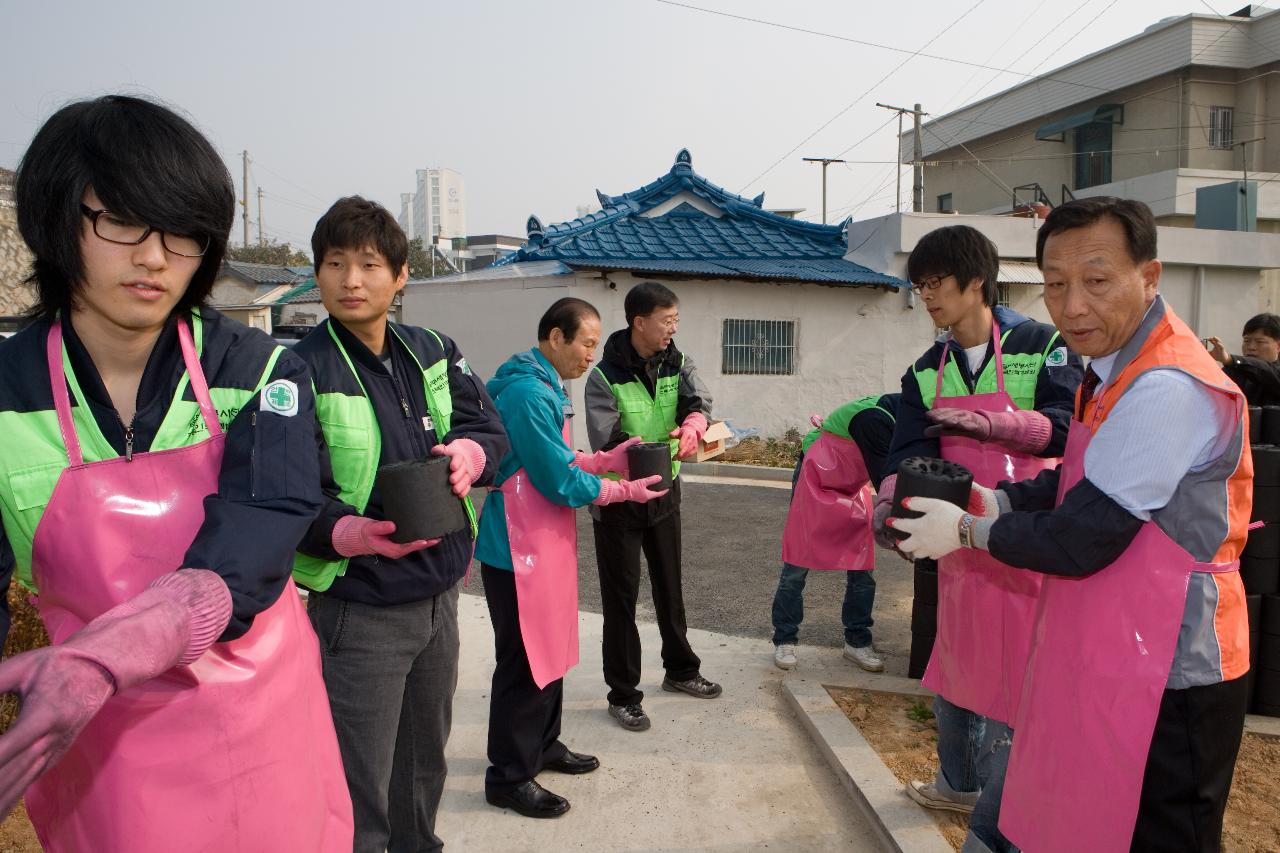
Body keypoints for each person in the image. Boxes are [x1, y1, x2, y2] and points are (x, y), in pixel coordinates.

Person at [0, 95, 351, 851]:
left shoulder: (262, 370)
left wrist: (124, 643)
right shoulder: (6, 396)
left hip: (269, 733)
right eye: (121, 222)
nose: (155, 257)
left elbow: (267, 517)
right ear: (58, 221)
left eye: (182, 232)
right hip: (107, 753)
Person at [892, 197, 1251, 853]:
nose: (1073, 304)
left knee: (1165, 832)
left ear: (1150, 276)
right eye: (1055, 283)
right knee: (1097, 818)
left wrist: (969, 532)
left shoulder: (1167, 385)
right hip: (1116, 641)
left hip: (1179, 660)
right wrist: (994, 501)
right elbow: (1078, 474)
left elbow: (1083, 533)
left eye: (1096, 279)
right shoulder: (1107, 370)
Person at [292, 197, 508, 853]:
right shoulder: (297, 367)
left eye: (368, 264)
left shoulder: (433, 350)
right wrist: (348, 532)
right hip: (360, 607)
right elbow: (283, 493)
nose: (351, 280)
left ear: (401, 274)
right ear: (318, 272)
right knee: (358, 776)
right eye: (334, 264)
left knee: (423, 761)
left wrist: (472, 454)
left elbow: (487, 429)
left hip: (440, 595)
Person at [874, 224, 1081, 852]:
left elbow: (1073, 427)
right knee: (960, 667)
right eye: (919, 285)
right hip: (959, 543)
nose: (927, 296)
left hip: (1026, 534)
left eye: (936, 283)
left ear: (976, 282)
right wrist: (888, 504)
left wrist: (1001, 426)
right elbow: (907, 451)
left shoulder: (1041, 345)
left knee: (1016, 690)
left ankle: (999, 826)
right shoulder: (924, 371)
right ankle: (956, 782)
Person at [475, 297, 668, 818]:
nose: (591, 354)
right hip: (519, 548)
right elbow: (559, 480)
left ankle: (543, 743)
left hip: (544, 544)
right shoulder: (526, 393)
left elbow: (560, 459)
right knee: (524, 660)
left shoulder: (544, 386)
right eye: (585, 343)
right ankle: (510, 776)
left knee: (552, 649)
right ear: (555, 338)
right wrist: (621, 490)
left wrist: (609, 458)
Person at [585, 281, 720, 731]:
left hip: (665, 493)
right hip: (620, 500)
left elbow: (697, 401)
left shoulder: (677, 361)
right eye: (666, 320)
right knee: (621, 600)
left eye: (676, 320)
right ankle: (623, 694)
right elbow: (608, 440)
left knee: (670, 586)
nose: (673, 328)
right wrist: (646, 458)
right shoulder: (604, 377)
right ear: (639, 322)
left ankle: (681, 670)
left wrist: (695, 423)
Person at [772, 393, 901, 672]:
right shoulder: (874, 420)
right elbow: (887, 482)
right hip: (814, 475)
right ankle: (785, 638)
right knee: (798, 561)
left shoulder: (902, 420)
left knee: (862, 565)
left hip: (852, 486)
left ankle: (857, 641)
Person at [1207, 312, 1280, 406]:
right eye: (1246, 341)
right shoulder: (1233, 371)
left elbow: (1266, 371)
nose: (1251, 347)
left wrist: (1230, 359)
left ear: (1278, 346)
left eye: (1260, 342)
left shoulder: (1274, 374)